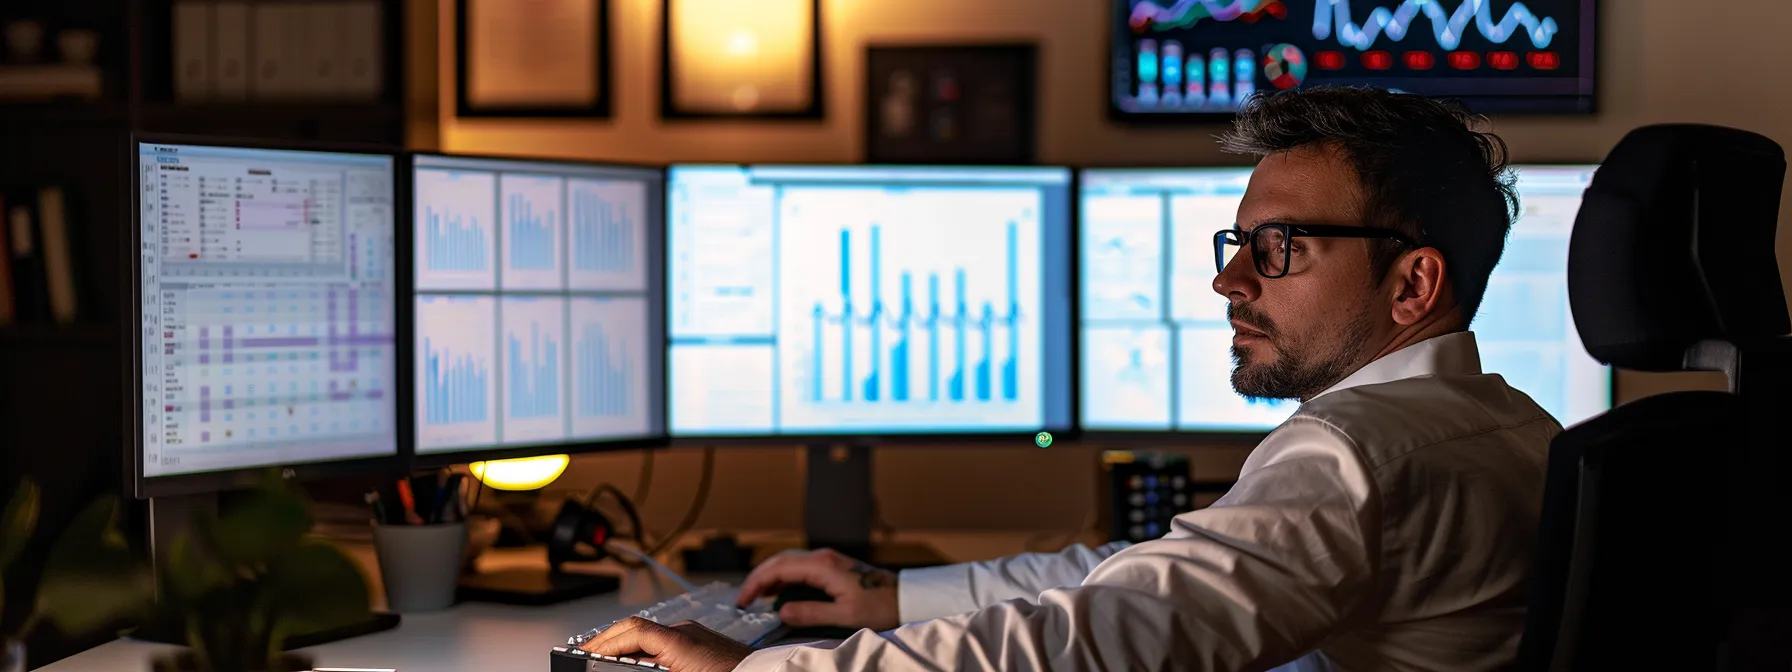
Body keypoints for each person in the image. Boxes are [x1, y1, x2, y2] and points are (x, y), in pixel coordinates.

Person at [581, 86, 1562, 671]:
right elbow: (1151, 574)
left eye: (1277, 247)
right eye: (1236, 242)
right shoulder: (1507, 424)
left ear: (1412, 283)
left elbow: (1096, 640)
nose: (1227, 279)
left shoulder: (1357, 456)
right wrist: (894, 598)